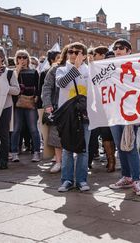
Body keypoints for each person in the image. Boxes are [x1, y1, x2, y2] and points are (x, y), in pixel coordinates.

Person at [108, 39, 140, 196]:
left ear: (129, 51)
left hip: (130, 112)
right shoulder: (108, 67)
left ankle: (137, 180)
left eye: (122, 48)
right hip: (114, 112)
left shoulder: (136, 66)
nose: (118, 50)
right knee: (120, 146)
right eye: (116, 48)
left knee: (130, 146)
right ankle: (127, 176)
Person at [55, 42, 91, 192]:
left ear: (83, 54)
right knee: (67, 148)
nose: (73, 54)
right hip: (67, 114)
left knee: (83, 149)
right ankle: (67, 180)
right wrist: (75, 68)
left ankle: (82, 180)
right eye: (70, 51)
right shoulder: (61, 70)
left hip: (85, 113)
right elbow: (62, 83)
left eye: (77, 52)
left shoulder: (90, 70)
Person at [87, 46, 116, 172]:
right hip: (99, 107)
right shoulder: (95, 69)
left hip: (114, 107)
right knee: (102, 134)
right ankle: (108, 160)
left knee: (113, 135)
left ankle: (112, 160)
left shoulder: (117, 70)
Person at [10, 50, 41, 162]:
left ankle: (36, 152)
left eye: (24, 57)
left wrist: (37, 96)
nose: (22, 59)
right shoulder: (12, 72)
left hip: (30, 101)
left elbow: (38, 86)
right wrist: (17, 70)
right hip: (18, 103)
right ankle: (14, 152)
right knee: (16, 128)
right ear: (16, 59)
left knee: (33, 128)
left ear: (28, 59)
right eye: (19, 57)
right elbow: (11, 84)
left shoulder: (33, 71)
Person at [0, 46, 20, 169]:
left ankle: (4, 161)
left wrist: (5, 88)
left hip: (5, 107)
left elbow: (17, 90)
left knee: (4, 134)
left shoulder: (9, 73)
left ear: (2, 58)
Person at [41, 49, 62, 173]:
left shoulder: (80, 68)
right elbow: (47, 87)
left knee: (70, 136)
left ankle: (67, 161)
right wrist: (47, 104)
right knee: (55, 136)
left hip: (73, 108)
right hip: (56, 106)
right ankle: (58, 162)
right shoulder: (54, 70)